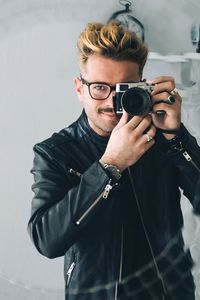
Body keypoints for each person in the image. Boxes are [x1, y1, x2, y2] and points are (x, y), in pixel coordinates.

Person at [27, 21, 200, 300]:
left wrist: (176, 137)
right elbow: (47, 240)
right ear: (79, 89)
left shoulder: (161, 138)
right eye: (98, 88)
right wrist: (110, 166)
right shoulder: (55, 152)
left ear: (142, 87)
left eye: (122, 89)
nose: (110, 102)